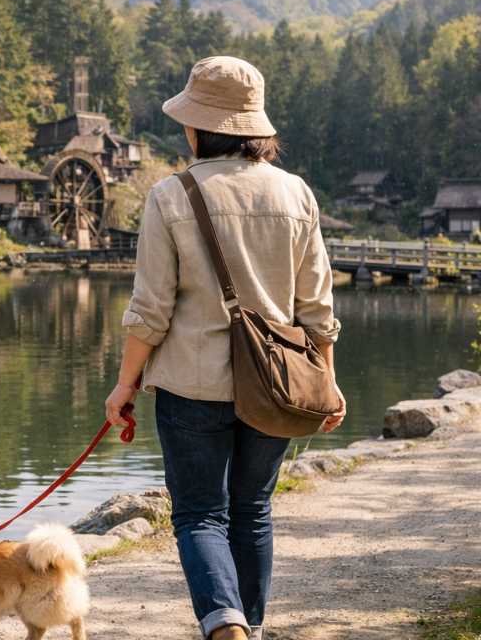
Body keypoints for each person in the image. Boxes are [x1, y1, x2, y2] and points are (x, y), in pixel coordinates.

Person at [103, 56, 345, 640]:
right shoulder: (296, 194)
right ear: (255, 128)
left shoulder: (171, 195)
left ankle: (224, 623)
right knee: (253, 510)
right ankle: (250, 629)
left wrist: (125, 385)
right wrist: (327, 382)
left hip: (192, 385)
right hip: (279, 385)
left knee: (198, 514)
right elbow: (316, 309)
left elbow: (151, 309)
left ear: (196, 126)